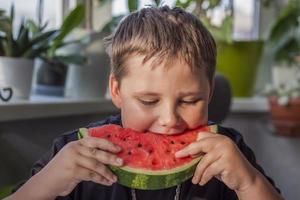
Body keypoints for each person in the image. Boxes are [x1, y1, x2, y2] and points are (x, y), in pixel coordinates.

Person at [6, 6, 283, 200]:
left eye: (189, 100)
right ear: (116, 89)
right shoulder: (76, 155)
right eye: (149, 101)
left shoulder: (229, 151)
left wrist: (250, 183)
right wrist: (45, 186)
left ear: (209, 91)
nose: (169, 119)